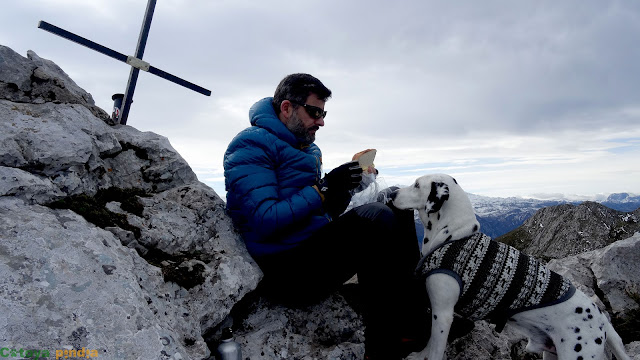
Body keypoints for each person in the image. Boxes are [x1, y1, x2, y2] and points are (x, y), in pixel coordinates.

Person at [223, 73, 429, 359]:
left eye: (323, 113)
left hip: (310, 251)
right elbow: (265, 219)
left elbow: (320, 212)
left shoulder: (306, 148)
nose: (321, 121)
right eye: (314, 112)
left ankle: (416, 321)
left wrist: (345, 187)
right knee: (376, 218)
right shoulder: (250, 146)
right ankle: (385, 345)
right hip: (284, 270)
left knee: (397, 200)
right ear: (287, 108)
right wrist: (323, 188)